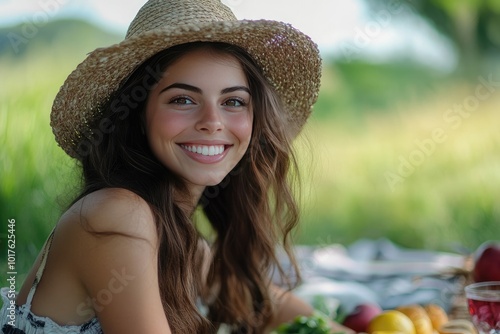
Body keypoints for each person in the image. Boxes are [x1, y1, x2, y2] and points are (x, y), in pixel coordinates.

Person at [1, 0, 353, 333]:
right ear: (138, 115)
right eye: (183, 99)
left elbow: (262, 303)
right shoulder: (116, 215)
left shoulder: (172, 228)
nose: (213, 122)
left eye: (233, 101)